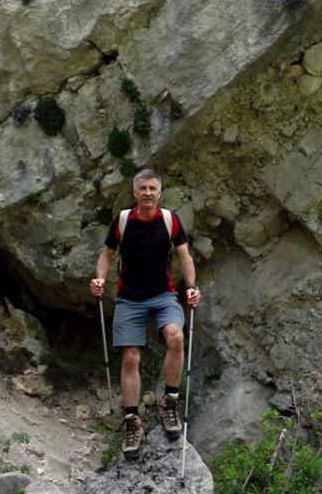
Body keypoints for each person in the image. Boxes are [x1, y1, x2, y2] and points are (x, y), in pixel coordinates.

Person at [89, 168, 201, 461]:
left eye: (153, 188)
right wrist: (100, 279)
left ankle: (170, 401)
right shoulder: (123, 221)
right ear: (135, 193)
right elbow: (107, 255)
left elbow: (184, 256)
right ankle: (132, 421)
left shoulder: (169, 220)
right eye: (143, 189)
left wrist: (191, 287)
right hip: (129, 298)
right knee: (130, 356)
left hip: (163, 295)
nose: (148, 193)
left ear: (159, 193)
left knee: (176, 337)